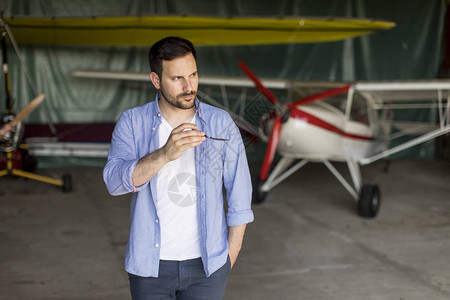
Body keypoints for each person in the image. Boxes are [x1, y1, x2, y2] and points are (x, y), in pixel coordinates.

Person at [103, 36, 254, 300]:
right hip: (150, 267)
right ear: (156, 80)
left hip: (209, 266)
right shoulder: (132, 122)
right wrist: (164, 154)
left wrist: (230, 255)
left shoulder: (220, 123)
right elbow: (114, 183)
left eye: (193, 75)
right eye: (177, 78)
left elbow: (240, 193)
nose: (189, 86)